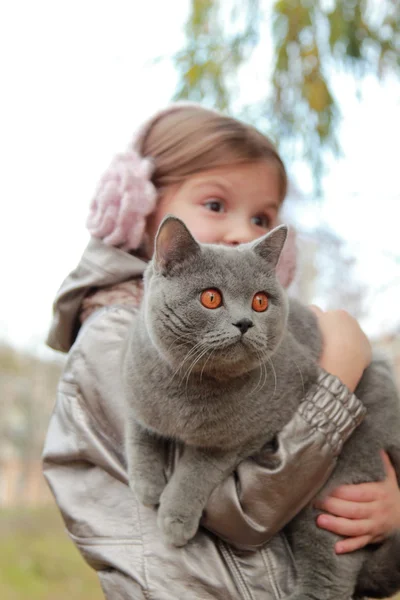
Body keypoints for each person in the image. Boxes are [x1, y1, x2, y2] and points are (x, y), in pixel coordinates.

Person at [42, 103, 400, 600]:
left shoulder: (248, 337)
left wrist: (388, 507)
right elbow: (245, 511)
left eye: (262, 217)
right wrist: (338, 374)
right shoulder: (110, 341)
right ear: (138, 208)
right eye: (215, 205)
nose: (243, 232)